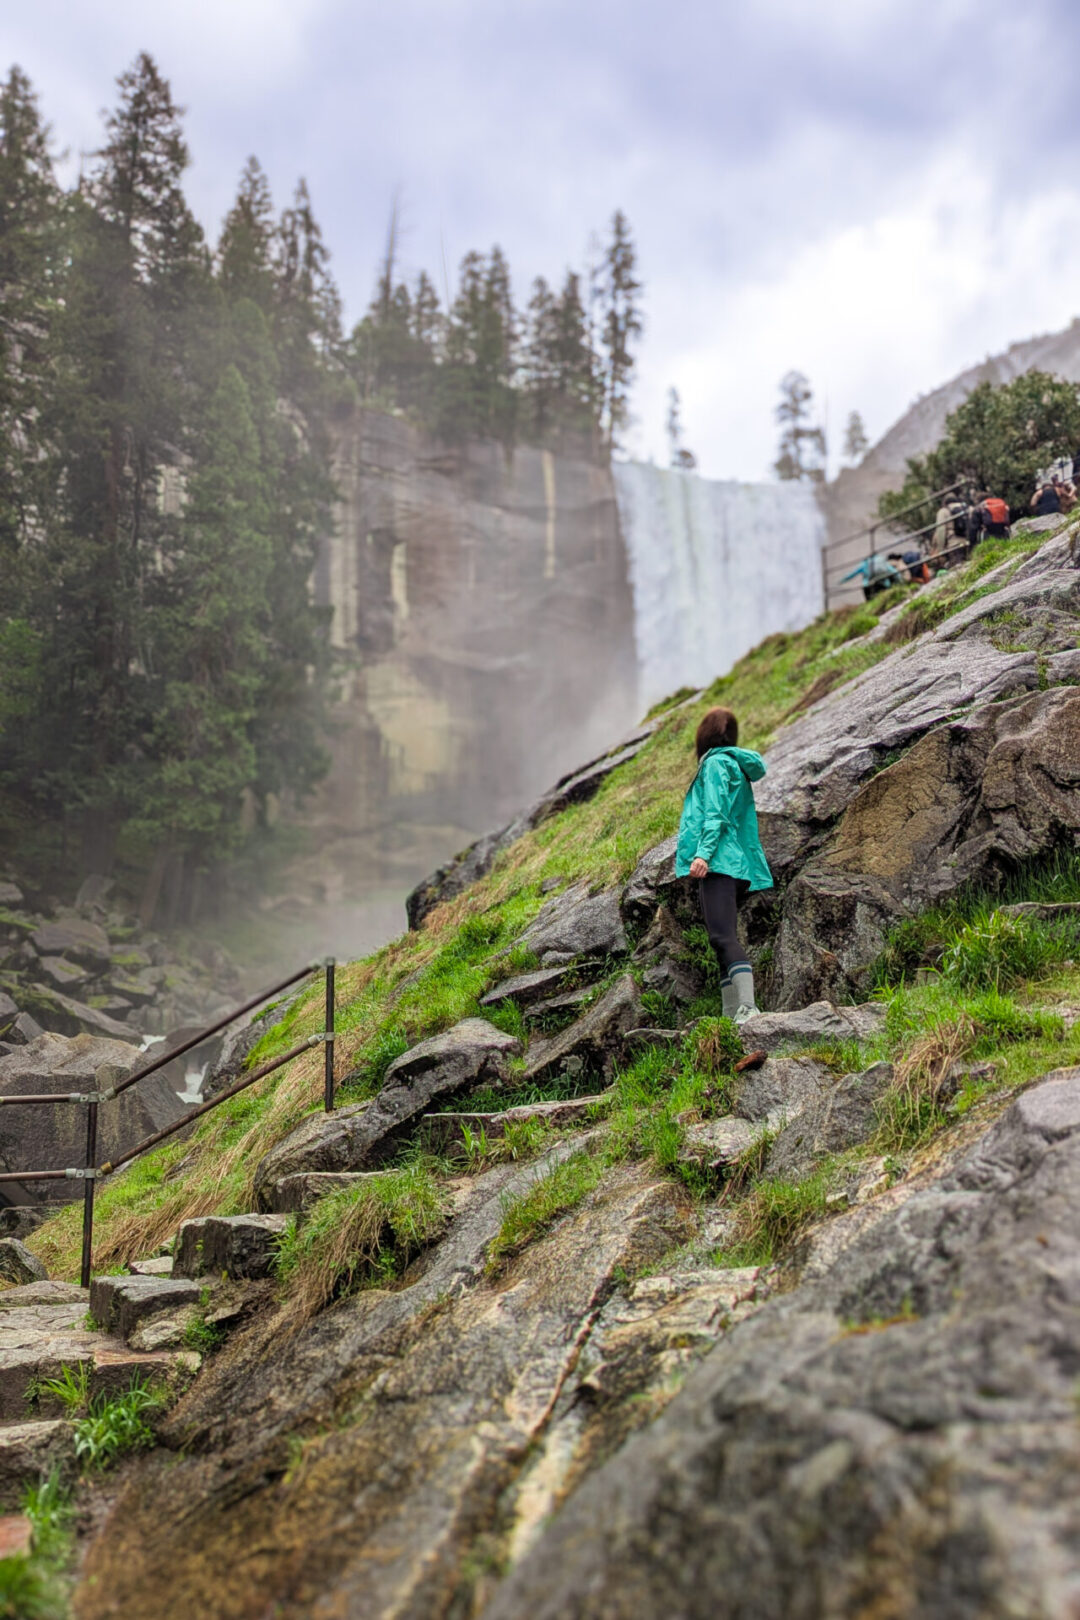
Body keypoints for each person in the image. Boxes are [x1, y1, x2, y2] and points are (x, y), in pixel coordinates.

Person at [675, 707, 773, 1024]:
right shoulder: (731, 765)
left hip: (720, 862)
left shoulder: (716, 764)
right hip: (732, 863)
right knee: (720, 938)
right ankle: (731, 1014)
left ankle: (747, 1008)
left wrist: (703, 855)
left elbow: (715, 814)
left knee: (723, 938)